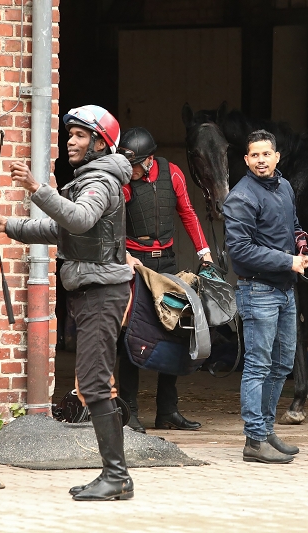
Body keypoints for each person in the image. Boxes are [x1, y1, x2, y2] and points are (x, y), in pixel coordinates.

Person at [0, 105, 135, 501]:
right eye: (69, 134)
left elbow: (79, 219)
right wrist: (10, 226)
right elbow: (64, 229)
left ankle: (117, 477)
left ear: (100, 143)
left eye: (79, 135)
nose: (70, 141)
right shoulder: (92, 178)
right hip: (93, 293)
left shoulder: (100, 182)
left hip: (102, 294)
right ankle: (115, 476)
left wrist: (37, 188)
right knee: (93, 382)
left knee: (93, 383)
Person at [222, 129, 308, 464]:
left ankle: (265, 430)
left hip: (285, 290)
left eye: (266, 154)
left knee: (282, 364)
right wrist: (288, 261)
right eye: (254, 155)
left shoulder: (285, 186)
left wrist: (302, 246)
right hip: (258, 290)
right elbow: (240, 250)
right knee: (258, 366)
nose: (261, 160)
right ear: (246, 160)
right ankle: (254, 440)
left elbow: (294, 225)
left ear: (277, 157)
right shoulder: (241, 197)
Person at [115, 126, 212, 433]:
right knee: (132, 335)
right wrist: (122, 254)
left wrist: (205, 253)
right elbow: (112, 219)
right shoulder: (124, 182)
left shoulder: (173, 174)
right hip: (135, 263)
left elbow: (188, 212)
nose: (129, 170)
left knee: (175, 331)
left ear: (148, 160)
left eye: (133, 165)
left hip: (166, 262)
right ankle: (128, 411)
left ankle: (167, 411)